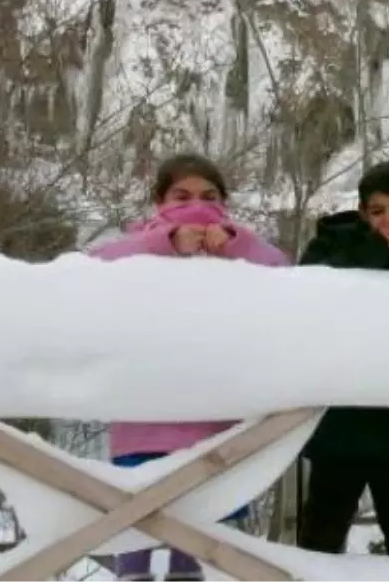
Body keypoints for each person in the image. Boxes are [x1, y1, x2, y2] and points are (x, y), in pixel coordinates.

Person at [87, 153, 288, 582]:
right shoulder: (136, 243)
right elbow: (89, 269)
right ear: (159, 200)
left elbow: (284, 270)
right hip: (144, 419)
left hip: (215, 424)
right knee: (133, 541)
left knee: (197, 553)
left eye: (208, 195)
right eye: (181, 195)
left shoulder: (240, 247)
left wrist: (234, 243)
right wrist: (166, 242)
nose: (195, 203)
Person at [294, 161, 389, 567]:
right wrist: (377, 251)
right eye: (378, 211)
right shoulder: (330, 244)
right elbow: (310, 290)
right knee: (320, 537)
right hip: (340, 416)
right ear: (363, 213)